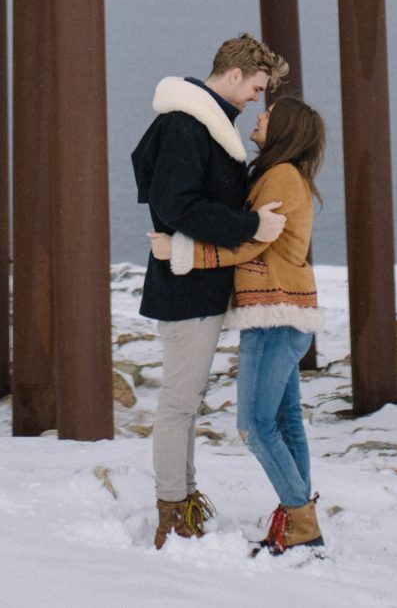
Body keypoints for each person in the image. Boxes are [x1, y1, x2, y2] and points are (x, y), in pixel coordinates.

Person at [129, 34, 290, 548]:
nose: (256, 99)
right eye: (257, 87)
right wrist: (248, 227)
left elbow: (174, 197)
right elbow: (175, 203)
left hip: (194, 282)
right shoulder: (186, 124)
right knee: (179, 402)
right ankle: (171, 510)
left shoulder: (205, 125)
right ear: (236, 73)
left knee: (186, 400)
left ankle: (183, 497)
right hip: (186, 288)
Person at [153, 96, 326, 557]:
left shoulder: (281, 176)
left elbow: (251, 243)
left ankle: (300, 520)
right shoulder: (282, 174)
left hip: (274, 313)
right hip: (286, 314)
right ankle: (299, 523)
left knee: (253, 425)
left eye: (269, 115)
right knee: (287, 422)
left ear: (285, 129)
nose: (260, 116)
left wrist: (184, 253)